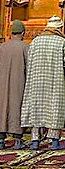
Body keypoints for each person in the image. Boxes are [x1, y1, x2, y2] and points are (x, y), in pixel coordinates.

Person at [21, 16, 65, 150]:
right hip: (55, 82)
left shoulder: (35, 42)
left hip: (36, 82)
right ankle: (54, 141)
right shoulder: (61, 42)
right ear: (59, 28)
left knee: (36, 109)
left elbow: (29, 63)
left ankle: (35, 141)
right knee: (55, 109)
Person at [0, 20, 29, 150]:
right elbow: (30, 67)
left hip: (2, 83)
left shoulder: (2, 47)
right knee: (17, 108)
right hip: (19, 82)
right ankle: (18, 139)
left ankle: (1, 139)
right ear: (22, 33)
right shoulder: (24, 47)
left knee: (2, 107)